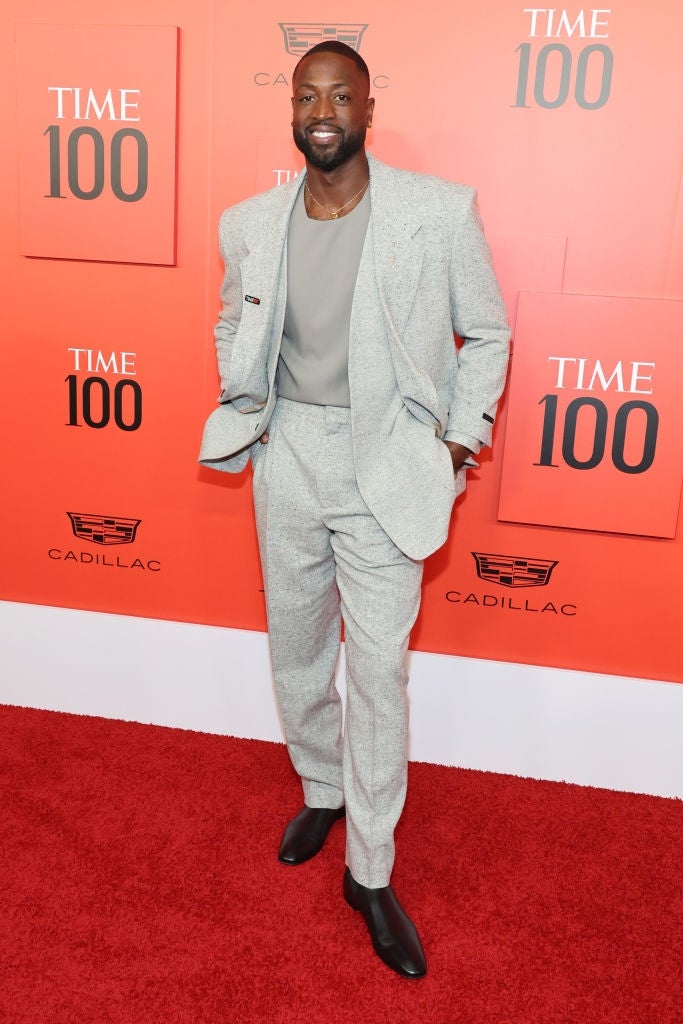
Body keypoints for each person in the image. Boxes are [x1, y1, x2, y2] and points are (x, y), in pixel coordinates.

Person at [199, 40, 510, 978]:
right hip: (287, 452)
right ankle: (321, 787)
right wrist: (245, 397)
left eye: (341, 96)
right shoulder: (249, 223)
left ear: (369, 110)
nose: (323, 111)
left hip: (389, 463)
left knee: (377, 673)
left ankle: (369, 871)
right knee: (297, 650)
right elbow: (233, 318)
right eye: (308, 96)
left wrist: (454, 446)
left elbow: (488, 332)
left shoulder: (437, 211)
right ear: (291, 111)